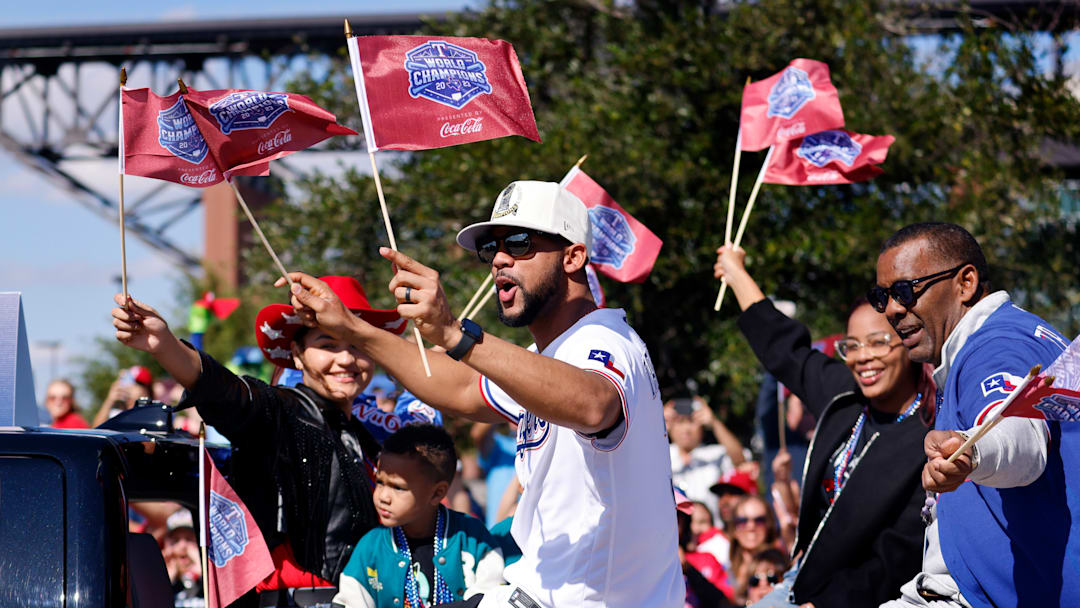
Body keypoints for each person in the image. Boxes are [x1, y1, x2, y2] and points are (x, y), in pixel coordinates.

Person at [282, 180, 684, 607]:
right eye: (492, 249)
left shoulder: (604, 340)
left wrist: (456, 333)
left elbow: (593, 403)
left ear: (573, 256)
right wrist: (353, 329)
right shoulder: (549, 355)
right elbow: (457, 387)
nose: (500, 261)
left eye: (519, 242)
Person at [110, 276, 408, 591]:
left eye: (357, 345)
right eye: (328, 345)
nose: (346, 359)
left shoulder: (367, 438)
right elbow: (229, 395)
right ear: (296, 353)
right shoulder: (281, 412)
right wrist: (166, 345)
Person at [714, 244, 934, 608]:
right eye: (852, 346)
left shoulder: (928, 434)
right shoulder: (844, 396)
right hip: (799, 582)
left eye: (879, 343)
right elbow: (784, 348)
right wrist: (736, 273)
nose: (863, 357)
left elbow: (900, 552)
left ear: (907, 344)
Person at [873, 223, 1079, 608]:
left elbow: (1020, 432)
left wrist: (972, 453)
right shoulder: (1020, 334)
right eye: (880, 296)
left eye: (904, 291)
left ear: (965, 283)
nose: (892, 309)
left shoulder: (995, 344)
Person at [334, 424, 504, 608]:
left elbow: (492, 598)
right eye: (380, 482)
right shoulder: (371, 548)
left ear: (437, 493)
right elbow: (349, 601)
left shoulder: (472, 538)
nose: (383, 497)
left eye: (398, 487)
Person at [668, 396, 747, 521]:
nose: (686, 429)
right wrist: (657, 424)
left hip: (711, 534)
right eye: (680, 421)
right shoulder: (660, 454)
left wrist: (714, 422)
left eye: (692, 421)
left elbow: (740, 461)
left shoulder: (714, 453)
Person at [727, 496, 780, 605]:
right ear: (734, 528)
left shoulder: (781, 566)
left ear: (769, 525)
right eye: (742, 521)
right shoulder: (725, 570)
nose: (751, 526)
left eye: (759, 520)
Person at [161, 508, 203, 606]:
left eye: (189, 539)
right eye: (175, 541)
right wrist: (166, 580)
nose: (182, 546)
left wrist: (203, 570)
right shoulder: (156, 583)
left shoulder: (212, 579)